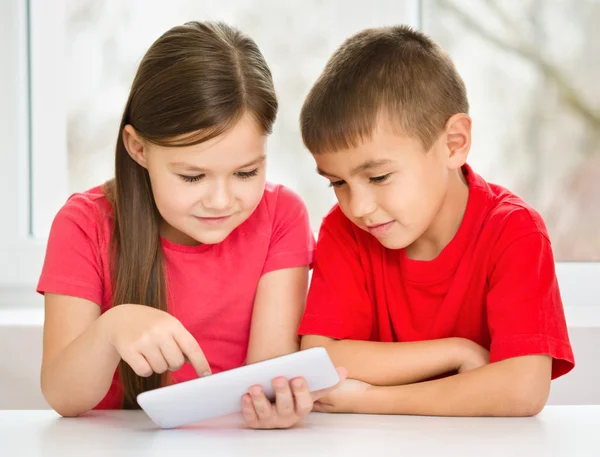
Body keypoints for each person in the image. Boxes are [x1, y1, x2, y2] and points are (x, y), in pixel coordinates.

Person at [37, 21, 344, 429]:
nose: (221, 200)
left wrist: (277, 406)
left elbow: (269, 373)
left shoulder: (282, 216)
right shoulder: (84, 224)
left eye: (246, 172)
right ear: (138, 148)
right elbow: (63, 397)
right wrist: (111, 329)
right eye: (192, 177)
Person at [298, 25, 574, 416]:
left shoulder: (514, 231)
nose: (357, 206)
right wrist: (455, 352)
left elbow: (523, 388)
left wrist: (369, 399)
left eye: (378, 177)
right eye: (337, 183)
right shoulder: (345, 231)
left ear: (453, 143)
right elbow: (319, 357)